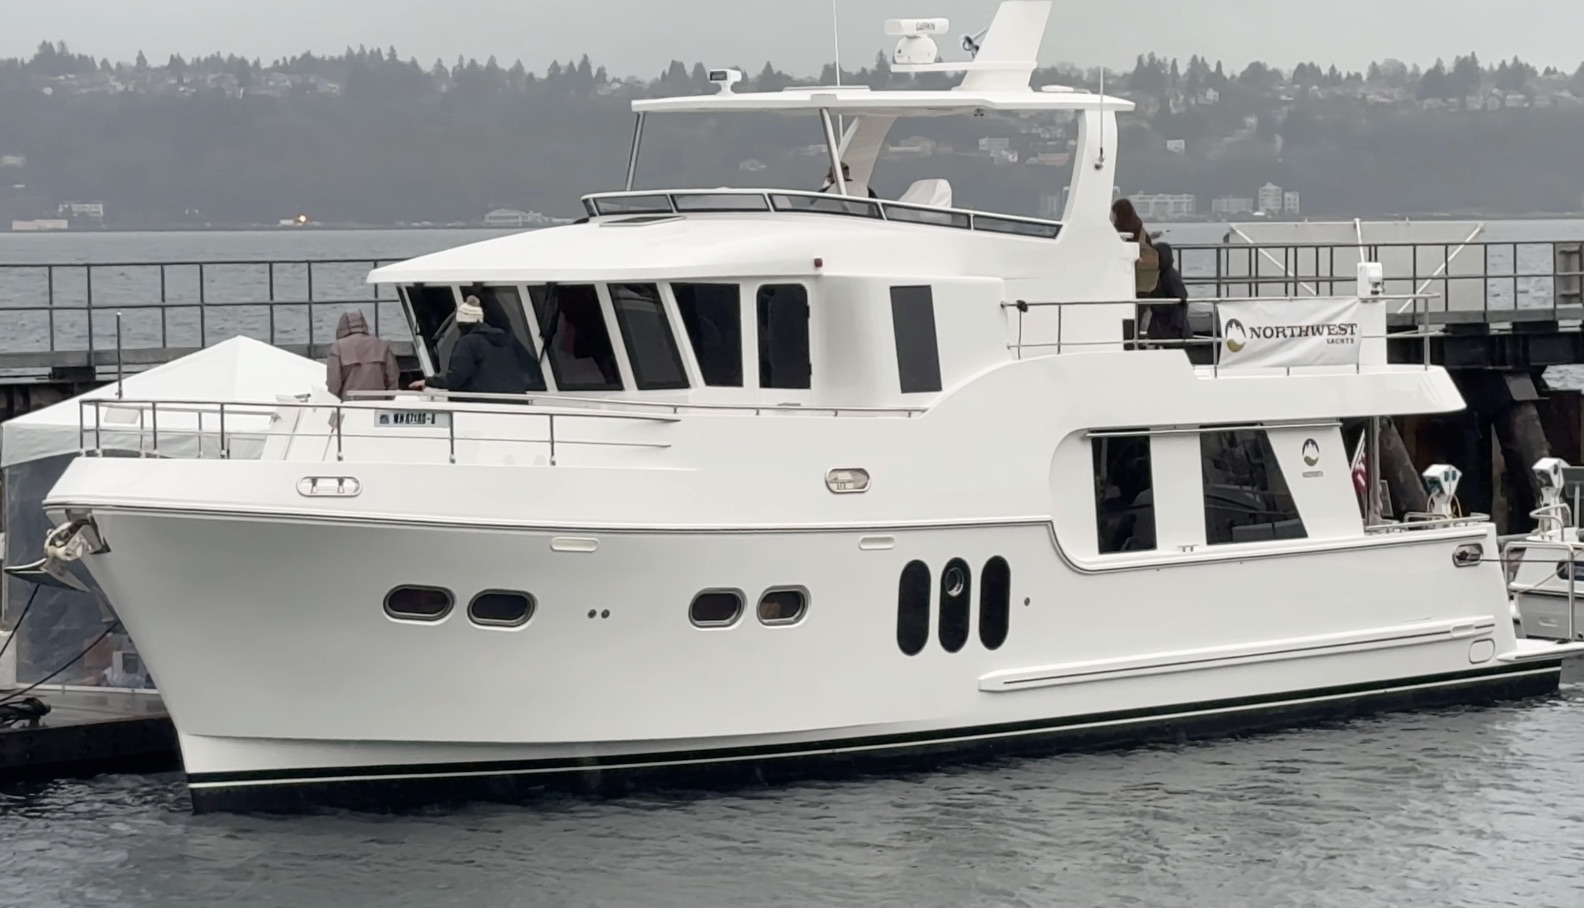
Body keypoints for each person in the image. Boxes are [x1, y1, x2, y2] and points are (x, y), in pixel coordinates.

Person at [409, 296, 531, 395]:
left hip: (482, 405)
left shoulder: (467, 343)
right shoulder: (505, 340)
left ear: (461, 323)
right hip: (516, 402)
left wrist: (428, 381)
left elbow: (455, 379)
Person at [1111, 199, 1190, 342]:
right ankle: (1134, 341)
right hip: (1145, 282)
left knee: (1124, 315)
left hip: (1126, 280)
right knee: (1138, 314)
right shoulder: (1140, 230)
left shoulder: (1116, 233)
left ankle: (1127, 341)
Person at [326, 309, 399, 399]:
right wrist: (387, 400)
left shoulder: (338, 348)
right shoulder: (382, 345)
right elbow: (392, 379)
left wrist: (336, 400)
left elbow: (334, 383)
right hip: (379, 402)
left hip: (350, 403)